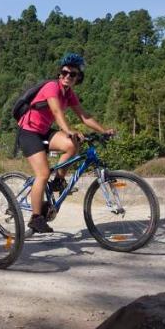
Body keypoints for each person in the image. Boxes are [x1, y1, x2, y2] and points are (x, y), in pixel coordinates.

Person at [15, 53, 113, 233]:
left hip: (43, 131)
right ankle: (36, 218)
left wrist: (103, 130)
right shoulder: (52, 87)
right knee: (43, 174)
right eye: (64, 72)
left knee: (71, 144)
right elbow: (56, 111)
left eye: (72, 74)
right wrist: (68, 130)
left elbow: (84, 116)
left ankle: (58, 181)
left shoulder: (69, 94)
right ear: (60, 74)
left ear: (78, 78)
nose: (67, 76)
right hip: (28, 132)